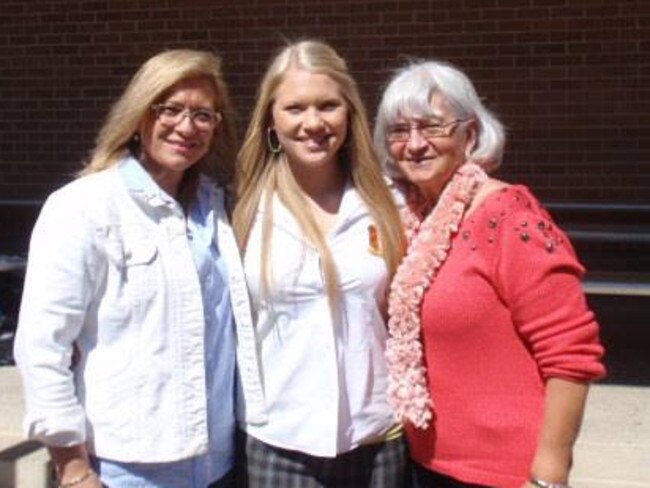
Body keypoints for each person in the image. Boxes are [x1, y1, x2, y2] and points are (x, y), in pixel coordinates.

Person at [14, 49, 250, 488]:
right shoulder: (84, 207)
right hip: (129, 468)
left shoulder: (215, 207)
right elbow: (42, 345)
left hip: (219, 462)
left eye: (204, 114)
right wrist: (73, 466)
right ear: (140, 115)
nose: (187, 126)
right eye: (171, 109)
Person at [373, 60, 606, 488]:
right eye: (399, 131)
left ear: (472, 134)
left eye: (434, 127)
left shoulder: (510, 220)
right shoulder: (409, 222)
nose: (416, 144)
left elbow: (571, 355)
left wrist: (549, 473)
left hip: (505, 473)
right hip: (424, 464)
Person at [232, 40, 408, 487]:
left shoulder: (388, 202)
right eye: (295, 108)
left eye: (328, 105)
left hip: (377, 435)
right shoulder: (242, 210)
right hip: (281, 439)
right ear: (271, 118)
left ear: (349, 113)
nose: (313, 123)